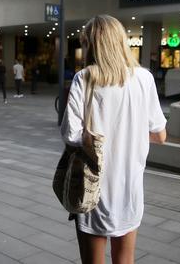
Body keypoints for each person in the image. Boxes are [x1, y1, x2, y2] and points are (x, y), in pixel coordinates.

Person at [60, 15, 166, 264]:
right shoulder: (144, 78)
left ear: (92, 44)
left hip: (92, 188)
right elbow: (160, 135)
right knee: (125, 260)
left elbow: (71, 134)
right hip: (130, 190)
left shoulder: (83, 79)